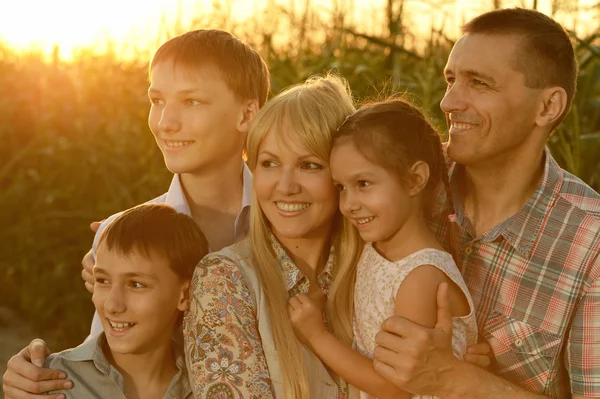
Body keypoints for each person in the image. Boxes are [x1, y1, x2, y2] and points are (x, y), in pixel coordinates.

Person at [2, 29, 269, 399]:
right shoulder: (119, 233)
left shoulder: (291, 223)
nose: (165, 122)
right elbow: (109, 362)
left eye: (191, 102)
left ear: (247, 113)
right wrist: (37, 378)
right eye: (157, 100)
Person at [371, 8, 600, 399]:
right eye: (450, 80)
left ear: (548, 107)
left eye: (479, 83)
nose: (447, 102)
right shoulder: (406, 181)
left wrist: (459, 380)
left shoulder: (590, 245)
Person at [183, 74, 363, 398]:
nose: (286, 186)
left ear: (343, 174)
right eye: (270, 163)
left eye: (309, 165)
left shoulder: (376, 272)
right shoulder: (224, 281)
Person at [288, 99, 477, 399]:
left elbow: (395, 387)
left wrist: (316, 336)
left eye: (363, 183)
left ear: (415, 179)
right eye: (341, 187)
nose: (349, 204)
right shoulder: (375, 245)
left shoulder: (420, 278)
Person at [44, 203, 209, 398]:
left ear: (184, 294)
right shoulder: (48, 382)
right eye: (103, 281)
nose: (112, 305)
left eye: (136, 284)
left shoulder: (211, 386)